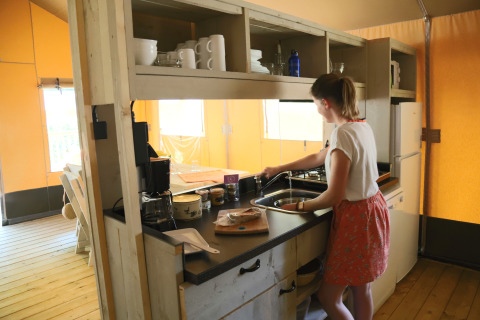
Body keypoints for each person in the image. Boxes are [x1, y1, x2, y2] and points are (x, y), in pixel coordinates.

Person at [260, 73, 389, 320]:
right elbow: (320, 157)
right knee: (362, 288)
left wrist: (298, 206)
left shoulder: (342, 133)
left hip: (356, 220)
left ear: (325, 103)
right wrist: (279, 168)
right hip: (373, 210)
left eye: (316, 104)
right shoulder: (359, 126)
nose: (317, 109)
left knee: (329, 297)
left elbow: (334, 196)